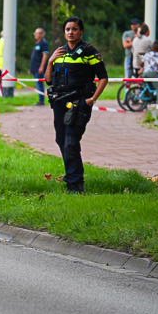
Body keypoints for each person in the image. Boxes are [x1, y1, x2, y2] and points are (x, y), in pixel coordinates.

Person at [42, 17, 109, 195]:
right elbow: (48, 80)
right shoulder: (60, 52)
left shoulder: (89, 51)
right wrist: (50, 61)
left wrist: (92, 99)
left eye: (75, 29)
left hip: (79, 103)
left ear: (81, 32)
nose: (71, 32)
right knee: (61, 140)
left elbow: (103, 77)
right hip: (59, 102)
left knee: (71, 142)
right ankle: (71, 176)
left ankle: (76, 185)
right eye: (68, 29)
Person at [29, 26, 50, 105]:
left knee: (40, 84)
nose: (35, 35)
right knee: (37, 84)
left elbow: (45, 55)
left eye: (37, 33)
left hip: (39, 68)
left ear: (42, 34)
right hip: (35, 68)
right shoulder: (37, 43)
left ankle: (41, 101)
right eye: (35, 33)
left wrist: (41, 67)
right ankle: (40, 100)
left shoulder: (43, 43)